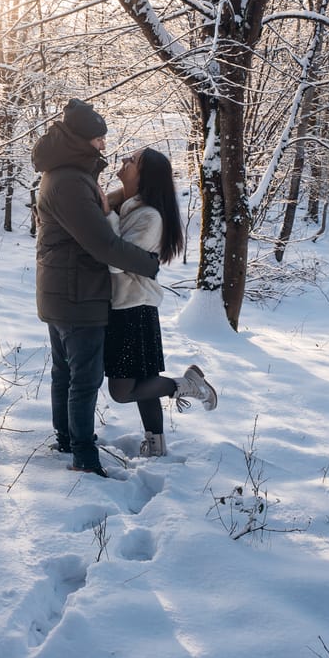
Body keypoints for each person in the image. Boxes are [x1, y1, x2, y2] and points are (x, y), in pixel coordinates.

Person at [33, 99, 161, 477]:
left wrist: (118, 198)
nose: (105, 146)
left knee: (66, 374)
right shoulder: (70, 181)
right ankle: (84, 458)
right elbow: (101, 243)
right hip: (77, 292)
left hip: (65, 288)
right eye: (99, 139)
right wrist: (148, 265)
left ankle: (69, 440)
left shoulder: (66, 175)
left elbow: (95, 212)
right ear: (79, 141)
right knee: (83, 379)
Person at [104, 147, 217, 458]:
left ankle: (186, 384)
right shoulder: (128, 206)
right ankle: (156, 446)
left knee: (122, 391)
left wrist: (105, 213)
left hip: (133, 310)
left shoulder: (149, 217)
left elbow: (116, 260)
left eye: (133, 161)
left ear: (145, 177)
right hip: (125, 307)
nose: (125, 161)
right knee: (144, 382)